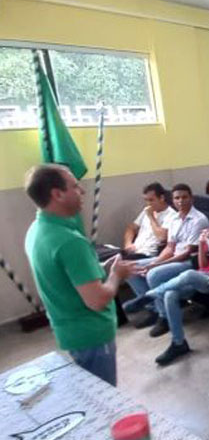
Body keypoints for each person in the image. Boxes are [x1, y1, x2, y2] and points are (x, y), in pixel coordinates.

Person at [24, 165, 137, 386]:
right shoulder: (70, 241)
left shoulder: (36, 230)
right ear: (57, 194)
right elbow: (97, 300)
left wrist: (99, 268)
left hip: (68, 331)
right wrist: (116, 274)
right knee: (102, 399)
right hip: (91, 335)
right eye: (75, 186)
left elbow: (65, 277)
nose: (82, 192)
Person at [125, 201, 209, 365]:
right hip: (200, 276)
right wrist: (201, 244)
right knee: (170, 294)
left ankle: (149, 295)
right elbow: (203, 265)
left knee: (189, 273)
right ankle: (178, 343)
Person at [126, 183, 209, 328]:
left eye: (184, 197)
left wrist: (157, 265)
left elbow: (186, 253)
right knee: (130, 269)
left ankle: (164, 317)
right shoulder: (175, 219)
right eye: (177, 198)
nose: (181, 201)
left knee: (154, 275)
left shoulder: (199, 220)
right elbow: (170, 247)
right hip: (174, 257)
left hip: (190, 261)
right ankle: (154, 308)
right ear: (173, 199)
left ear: (192, 199)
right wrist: (154, 262)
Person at [122, 182, 175, 258]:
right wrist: (128, 244)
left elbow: (162, 237)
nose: (148, 204)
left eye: (151, 200)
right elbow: (131, 228)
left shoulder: (171, 215)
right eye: (146, 200)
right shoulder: (146, 210)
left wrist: (151, 217)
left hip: (147, 254)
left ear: (162, 198)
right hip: (134, 250)